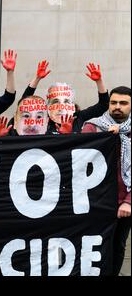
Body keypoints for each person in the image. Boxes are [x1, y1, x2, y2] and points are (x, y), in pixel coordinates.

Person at [82, 86, 131, 275]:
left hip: (122, 204)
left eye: (123, 103)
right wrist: (103, 138)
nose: (117, 107)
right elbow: (80, 158)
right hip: (94, 201)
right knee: (91, 246)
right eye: (113, 102)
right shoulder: (92, 126)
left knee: (117, 246)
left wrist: (128, 202)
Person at [23, 62, 109, 133]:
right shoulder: (42, 120)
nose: (61, 107)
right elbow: (24, 104)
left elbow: (104, 105)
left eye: (66, 101)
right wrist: (37, 78)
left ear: (72, 104)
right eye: (55, 101)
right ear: (48, 105)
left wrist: (99, 81)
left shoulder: (79, 117)